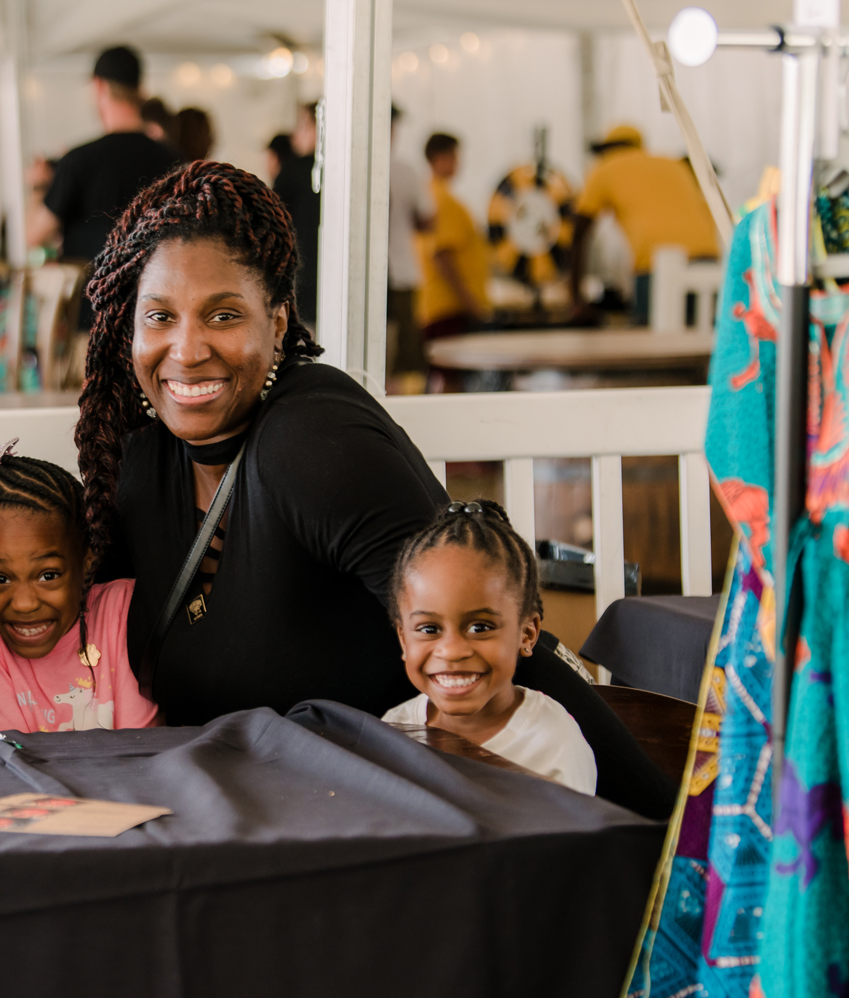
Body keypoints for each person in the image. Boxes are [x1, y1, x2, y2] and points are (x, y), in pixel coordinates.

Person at [73, 160, 674, 817]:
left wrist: (669, 843)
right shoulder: (145, 462)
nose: (186, 350)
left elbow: (494, 637)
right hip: (242, 829)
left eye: (222, 315)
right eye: (160, 317)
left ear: (277, 325)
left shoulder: (309, 441)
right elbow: (67, 603)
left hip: (393, 834)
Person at [381, 501, 597, 795]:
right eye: (429, 629)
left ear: (527, 634)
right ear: (404, 639)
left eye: (480, 627)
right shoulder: (394, 731)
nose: (452, 651)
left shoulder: (554, 746)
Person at [0, 440, 158, 734]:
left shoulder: (123, 608)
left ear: (88, 559)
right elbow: (12, 757)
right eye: (0, 579)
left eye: (48, 575)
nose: (24, 604)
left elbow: (141, 747)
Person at [27, 45, 180, 289]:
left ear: (99, 87)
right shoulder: (172, 162)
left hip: (92, 313)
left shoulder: (78, 160)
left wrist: (37, 186)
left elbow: (33, 236)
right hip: (155, 311)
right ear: (139, 89)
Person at [567, 124, 719, 325]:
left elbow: (579, 232)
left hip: (656, 265)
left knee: (653, 342)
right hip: (709, 259)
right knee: (700, 337)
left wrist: (575, 298)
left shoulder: (604, 168)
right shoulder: (674, 164)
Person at [418, 132, 489, 345]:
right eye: (455, 156)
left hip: (441, 306)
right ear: (440, 158)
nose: (459, 163)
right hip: (449, 308)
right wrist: (471, 303)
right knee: (451, 377)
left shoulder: (429, 194)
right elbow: (442, 255)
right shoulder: (443, 200)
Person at [386, 106, 435, 387]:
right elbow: (427, 222)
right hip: (401, 271)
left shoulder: (343, 165)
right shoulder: (405, 171)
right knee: (403, 362)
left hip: (365, 277)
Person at [271, 103, 320, 325]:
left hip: (304, 279)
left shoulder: (295, 170)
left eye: (303, 126)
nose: (296, 135)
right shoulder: (353, 170)